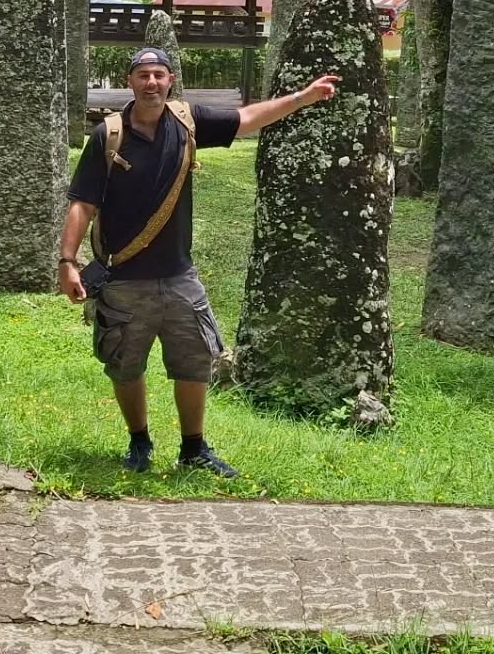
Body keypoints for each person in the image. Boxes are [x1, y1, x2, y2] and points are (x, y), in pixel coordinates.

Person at [58, 46, 339, 477]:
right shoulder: (108, 136)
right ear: (130, 81)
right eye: (143, 75)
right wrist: (67, 261)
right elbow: (82, 204)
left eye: (159, 75)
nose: (151, 82)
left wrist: (302, 97)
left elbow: (247, 119)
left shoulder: (187, 123)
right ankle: (139, 440)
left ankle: (193, 448)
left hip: (179, 277)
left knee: (194, 362)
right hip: (124, 279)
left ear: (171, 80)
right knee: (124, 364)